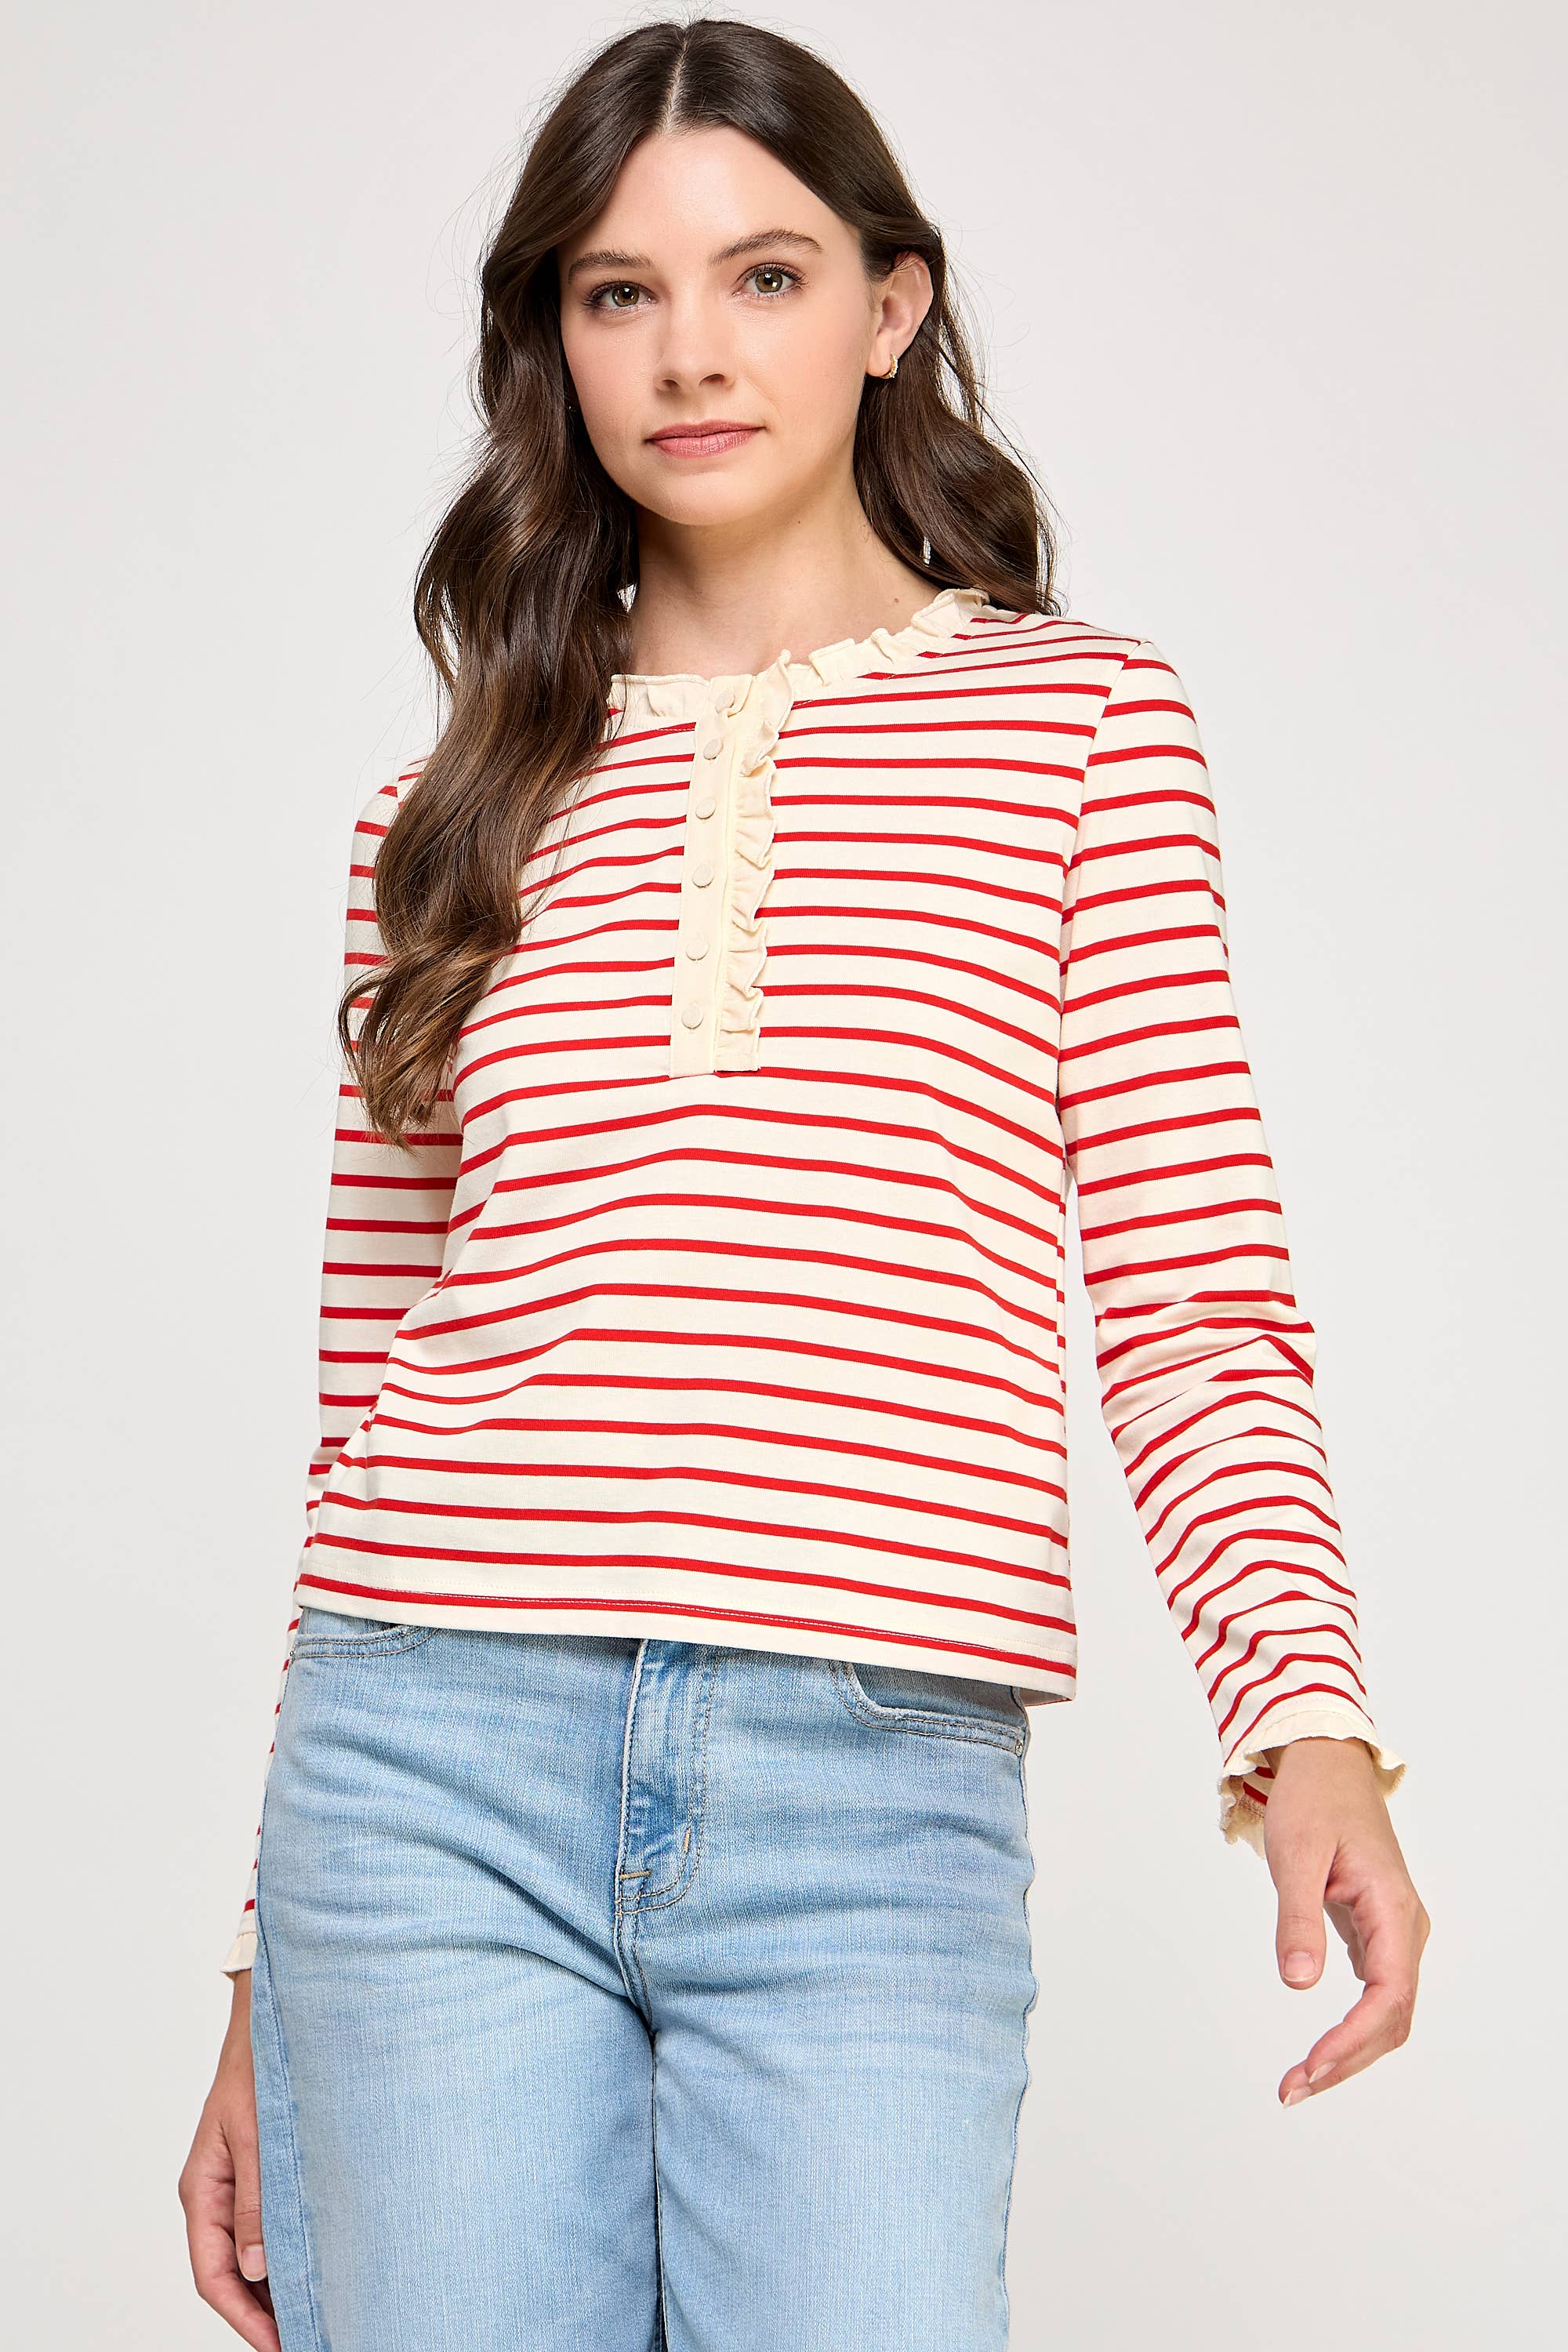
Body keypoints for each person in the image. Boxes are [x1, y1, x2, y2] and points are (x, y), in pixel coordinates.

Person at [179, 19, 1428, 2350]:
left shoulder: (1082, 729)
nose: (691, 353)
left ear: (891, 302)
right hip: (424, 1764)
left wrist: (1308, 1720)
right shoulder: (438, 818)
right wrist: (264, 1984)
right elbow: (361, 1398)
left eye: (764, 275)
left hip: (869, 1777)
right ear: (553, 340)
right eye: (618, 292)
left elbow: (1192, 1301)